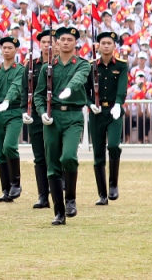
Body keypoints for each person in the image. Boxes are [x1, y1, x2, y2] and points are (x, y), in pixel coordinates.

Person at [34, 26, 91, 225]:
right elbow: (39, 95)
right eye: (62, 39)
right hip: (53, 117)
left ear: (76, 43)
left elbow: (80, 78)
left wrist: (69, 89)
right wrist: (42, 112)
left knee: (68, 156)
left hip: (73, 116)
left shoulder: (83, 64)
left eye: (70, 39)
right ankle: (59, 211)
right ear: (57, 43)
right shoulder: (47, 67)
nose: (66, 42)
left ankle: (71, 199)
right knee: (52, 166)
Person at [0, 36, 25, 202]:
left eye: (10, 48)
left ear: (16, 50)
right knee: (0, 152)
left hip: (13, 112)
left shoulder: (19, 69)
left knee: (9, 146)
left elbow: (16, 87)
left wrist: (7, 100)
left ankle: (16, 184)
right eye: (4, 47)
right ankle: (6, 190)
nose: (6, 50)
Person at [24, 29, 53, 209]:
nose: (47, 45)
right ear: (39, 44)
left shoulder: (59, 64)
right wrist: (24, 111)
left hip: (55, 113)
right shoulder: (31, 65)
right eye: (44, 42)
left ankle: (60, 186)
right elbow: (24, 91)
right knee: (39, 156)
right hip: (35, 114)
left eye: (51, 42)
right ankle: (43, 195)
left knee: (56, 154)